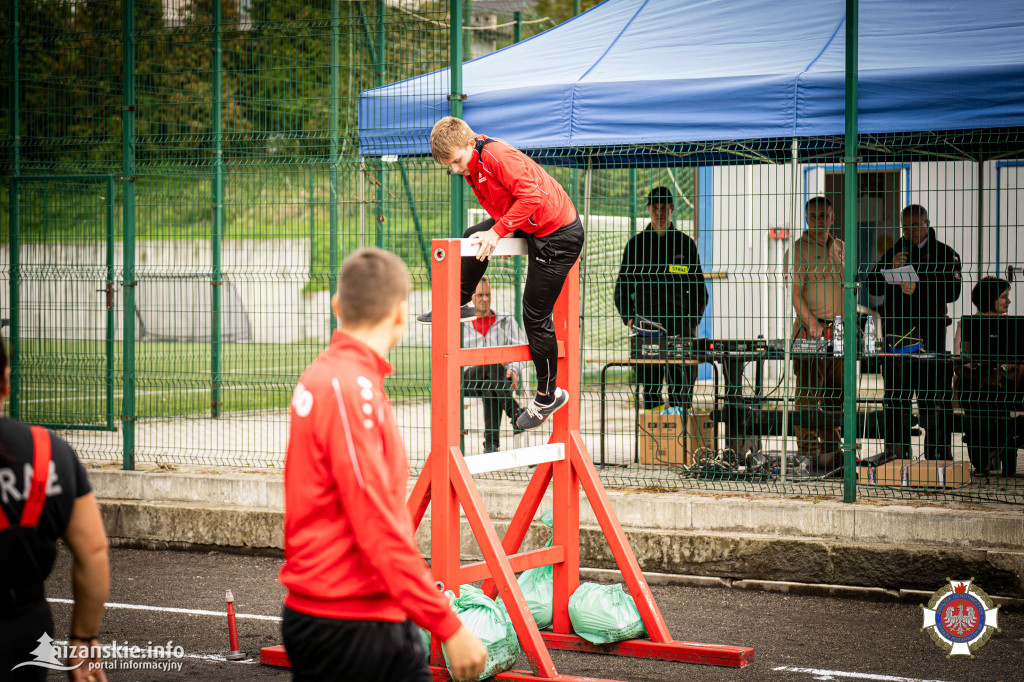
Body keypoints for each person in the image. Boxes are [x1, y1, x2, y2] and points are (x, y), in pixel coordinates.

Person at [279, 248, 487, 682]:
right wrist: (447, 625)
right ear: (400, 314)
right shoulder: (349, 390)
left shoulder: (331, 376)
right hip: (351, 621)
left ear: (338, 307)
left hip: (347, 615)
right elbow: (375, 523)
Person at [418, 116, 585, 433]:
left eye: (456, 162)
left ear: (470, 144)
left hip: (559, 235)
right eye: (449, 166)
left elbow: (532, 196)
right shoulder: (472, 164)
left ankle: (548, 396)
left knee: (534, 315)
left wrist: (499, 232)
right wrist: (495, 230)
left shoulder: (497, 155)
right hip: (530, 226)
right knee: (473, 235)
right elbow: (500, 205)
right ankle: (461, 302)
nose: (455, 170)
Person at [0, 333, 110, 682]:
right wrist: (83, 636)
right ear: (4, 381)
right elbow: (92, 550)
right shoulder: (49, 451)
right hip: (22, 630)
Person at [867, 204, 962, 461]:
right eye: (904, 226)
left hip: (930, 337)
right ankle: (897, 456)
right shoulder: (894, 252)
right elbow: (872, 287)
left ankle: (937, 457)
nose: (907, 231)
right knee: (896, 398)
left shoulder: (945, 253)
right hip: (896, 338)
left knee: (933, 399)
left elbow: (953, 292)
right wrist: (890, 271)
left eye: (913, 226)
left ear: (926, 223)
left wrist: (917, 285)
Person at [613, 186, 708, 413]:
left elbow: (699, 289)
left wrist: (691, 320)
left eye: (664, 208)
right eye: (655, 208)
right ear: (648, 210)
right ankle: (655, 436)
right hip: (646, 324)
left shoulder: (685, 244)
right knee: (651, 386)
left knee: (682, 384)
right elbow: (622, 290)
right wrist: (629, 319)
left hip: (679, 323)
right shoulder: (636, 246)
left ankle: (680, 434)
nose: (659, 213)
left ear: (672, 209)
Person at [782, 196, 845, 471]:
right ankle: (806, 452)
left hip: (840, 329)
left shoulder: (842, 247)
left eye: (825, 215)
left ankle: (832, 450)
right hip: (810, 329)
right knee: (808, 392)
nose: (820, 221)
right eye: (814, 216)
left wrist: (850, 323)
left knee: (836, 391)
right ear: (807, 219)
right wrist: (814, 325)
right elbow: (796, 294)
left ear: (833, 217)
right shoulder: (797, 250)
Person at [953, 277, 1021, 476]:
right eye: (1003, 297)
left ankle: (999, 453)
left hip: (1002, 382)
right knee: (977, 394)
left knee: (999, 392)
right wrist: (981, 371)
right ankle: (981, 459)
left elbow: (1017, 358)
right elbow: (960, 356)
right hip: (976, 381)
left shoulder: (1013, 325)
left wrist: (1000, 370)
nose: (1008, 301)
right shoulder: (967, 324)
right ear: (989, 299)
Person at [462, 276, 526, 453]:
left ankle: (491, 445)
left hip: (498, 381)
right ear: (471, 298)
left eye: (488, 295)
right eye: (481, 295)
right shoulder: (460, 323)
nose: (485, 299)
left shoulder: (506, 321)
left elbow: (520, 352)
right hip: (467, 380)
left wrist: (513, 369)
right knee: (492, 362)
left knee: (490, 385)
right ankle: (516, 414)